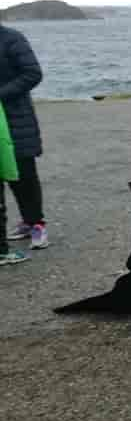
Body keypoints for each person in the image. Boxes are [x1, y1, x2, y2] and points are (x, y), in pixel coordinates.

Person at [0, 21, 47, 261]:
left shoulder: (12, 38)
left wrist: (2, 94)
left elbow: (33, 73)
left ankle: (36, 224)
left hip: (16, 119)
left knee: (24, 176)